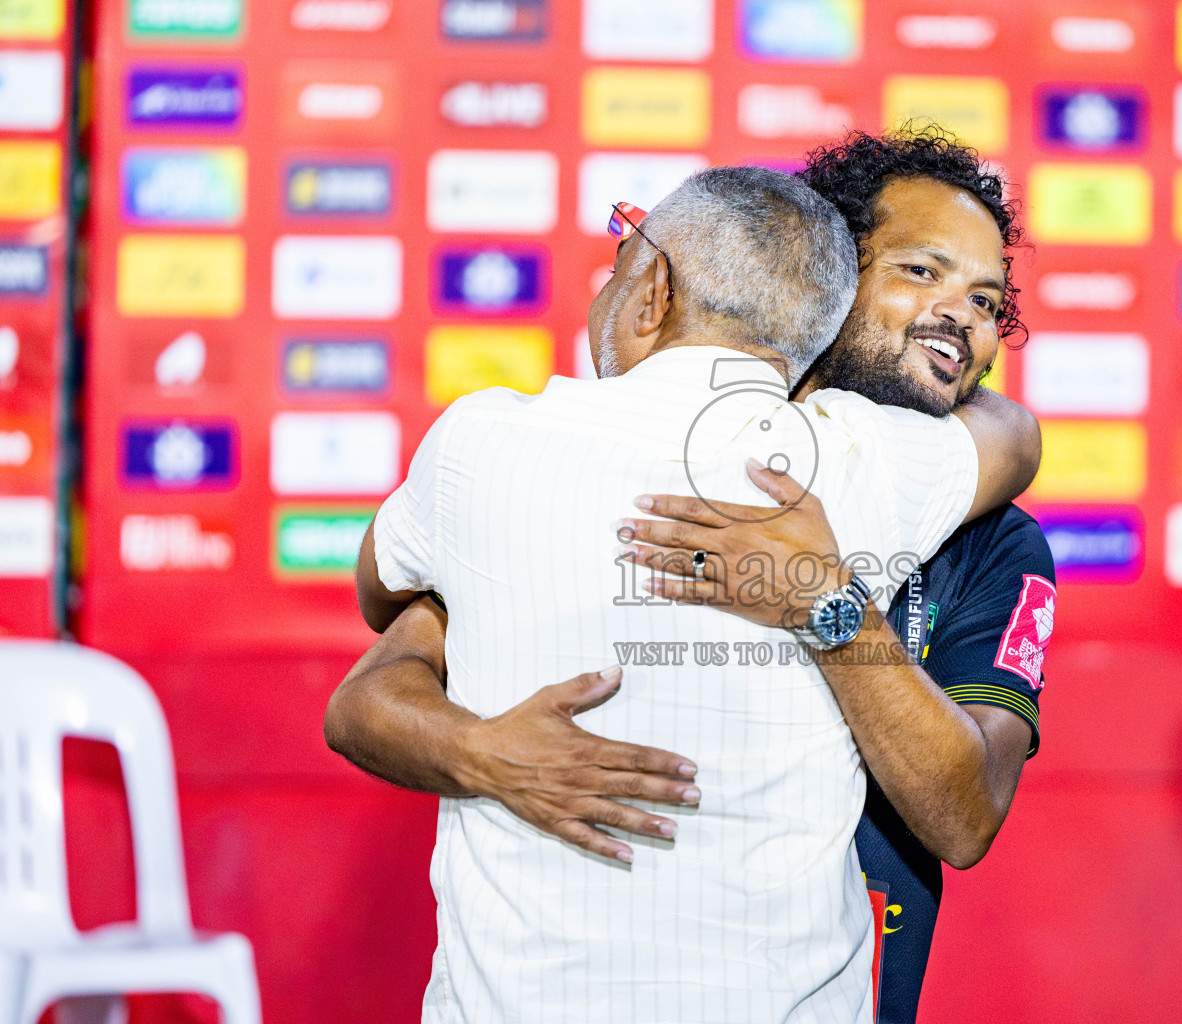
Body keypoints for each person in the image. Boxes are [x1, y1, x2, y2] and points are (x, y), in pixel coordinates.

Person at [330, 130, 1052, 1024]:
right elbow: (369, 695)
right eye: (919, 272)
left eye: (986, 300)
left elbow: (966, 818)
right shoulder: (839, 462)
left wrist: (829, 604)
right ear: (825, 281)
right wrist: (476, 751)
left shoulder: (991, 537)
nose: (959, 316)